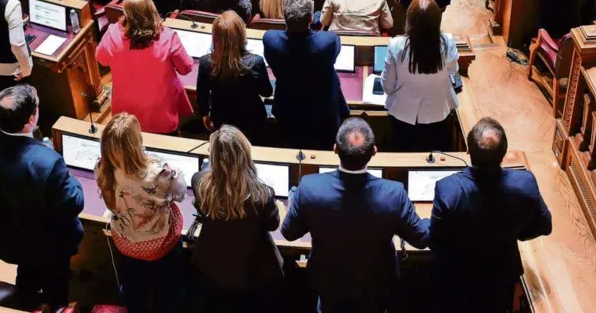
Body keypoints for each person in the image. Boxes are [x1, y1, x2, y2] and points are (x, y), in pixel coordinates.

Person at [280, 117, 429, 312]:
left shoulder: (309, 188)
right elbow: (421, 238)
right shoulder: (394, 194)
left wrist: (294, 203)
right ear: (374, 151)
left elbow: (289, 233)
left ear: (335, 149)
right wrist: (433, 216)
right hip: (376, 285)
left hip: (328, 284)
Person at [0, 85, 83, 308]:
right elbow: (73, 204)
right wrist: (70, 177)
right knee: (55, 282)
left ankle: (26, 296)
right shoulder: (48, 162)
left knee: (27, 269)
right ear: (30, 120)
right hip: (46, 245)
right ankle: (55, 305)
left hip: (1, 236)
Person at [427, 117, 551, 311]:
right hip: (499, 276)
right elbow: (544, 225)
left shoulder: (447, 190)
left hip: (456, 277)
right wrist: (515, 231)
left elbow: (435, 239)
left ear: (468, 152)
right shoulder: (525, 183)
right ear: (504, 154)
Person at [95, 114, 187, 313]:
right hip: (162, 247)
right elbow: (180, 195)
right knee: (169, 295)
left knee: (134, 294)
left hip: (127, 246)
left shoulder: (102, 170)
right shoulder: (159, 173)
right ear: (137, 141)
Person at [191, 126, 286, 310]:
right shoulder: (262, 194)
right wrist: (280, 208)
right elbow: (273, 224)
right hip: (252, 272)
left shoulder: (199, 182)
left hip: (212, 268)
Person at [96, 0, 193, 136]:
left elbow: (101, 59)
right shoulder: (167, 36)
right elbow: (186, 68)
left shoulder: (113, 33)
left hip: (126, 114)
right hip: (161, 115)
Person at [264, 0, 349, 149]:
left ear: (285, 17)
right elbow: (334, 40)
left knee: (294, 144)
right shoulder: (327, 42)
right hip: (323, 112)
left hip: (288, 109)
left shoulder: (271, 40)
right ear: (311, 19)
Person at [381, 0, 460, 151]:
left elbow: (387, 86)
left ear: (409, 20)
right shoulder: (447, 41)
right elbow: (453, 70)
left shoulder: (396, 45)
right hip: (437, 112)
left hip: (403, 114)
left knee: (402, 154)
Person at [196, 11, 272, 140]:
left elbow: (202, 97)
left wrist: (205, 114)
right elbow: (266, 92)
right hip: (252, 123)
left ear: (215, 37)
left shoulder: (205, 63)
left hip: (221, 123)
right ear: (241, 34)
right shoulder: (256, 62)